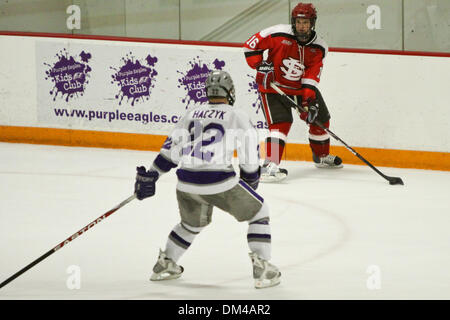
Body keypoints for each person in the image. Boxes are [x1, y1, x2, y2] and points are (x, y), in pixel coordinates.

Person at [133, 70, 281, 289]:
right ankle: (264, 268)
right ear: (230, 92)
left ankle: (166, 264)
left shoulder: (192, 113)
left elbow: (171, 150)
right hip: (218, 182)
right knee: (259, 211)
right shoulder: (236, 115)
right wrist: (250, 182)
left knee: (191, 223)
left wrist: (152, 175)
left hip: (185, 183)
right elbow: (249, 155)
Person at [244, 2, 343, 182]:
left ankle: (321, 156)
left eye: (305, 23)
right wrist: (261, 66)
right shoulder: (278, 32)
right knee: (280, 125)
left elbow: (312, 74)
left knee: (320, 118)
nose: (301, 26)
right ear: (293, 21)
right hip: (273, 87)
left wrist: (309, 100)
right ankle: (269, 165)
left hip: (299, 88)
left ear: (312, 23)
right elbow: (250, 46)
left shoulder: (320, 46)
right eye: (298, 22)